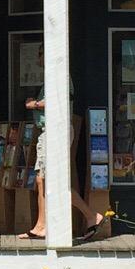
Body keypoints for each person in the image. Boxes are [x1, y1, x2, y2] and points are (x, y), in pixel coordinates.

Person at [24, 83, 99, 242]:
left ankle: (91, 215)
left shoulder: (62, 76)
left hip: (54, 131)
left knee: (54, 182)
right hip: (47, 132)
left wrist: (34, 104)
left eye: (39, 55)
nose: (38, 58)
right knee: (41, 179)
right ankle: (41, 225)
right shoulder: (48, 79)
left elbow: (57, 101)